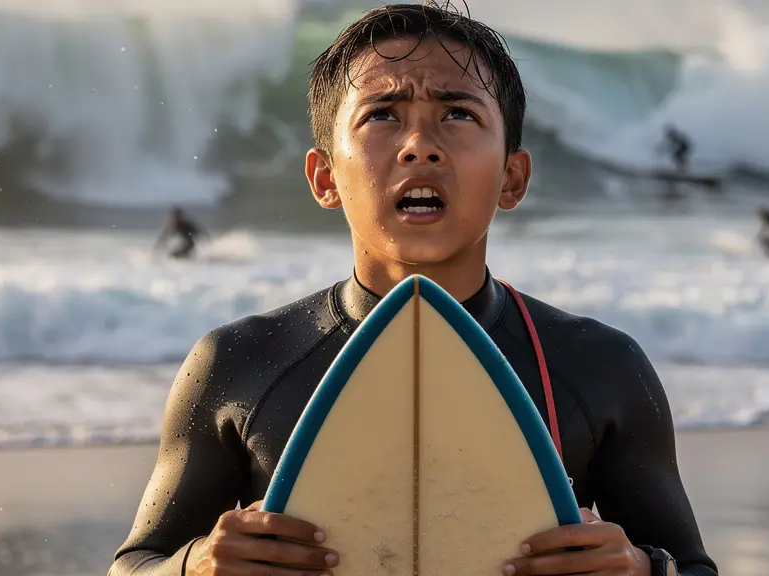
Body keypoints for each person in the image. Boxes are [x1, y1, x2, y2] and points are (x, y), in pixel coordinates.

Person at [110, 4, 718, 576]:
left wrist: (642, 567)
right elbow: (134, 565)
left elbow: (692, 568)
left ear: (513, 176)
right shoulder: (239, 361)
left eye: (458, 113)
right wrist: (194, 565)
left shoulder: (600, 367)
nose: (419, 145)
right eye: (381, 115)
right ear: (324, 178)